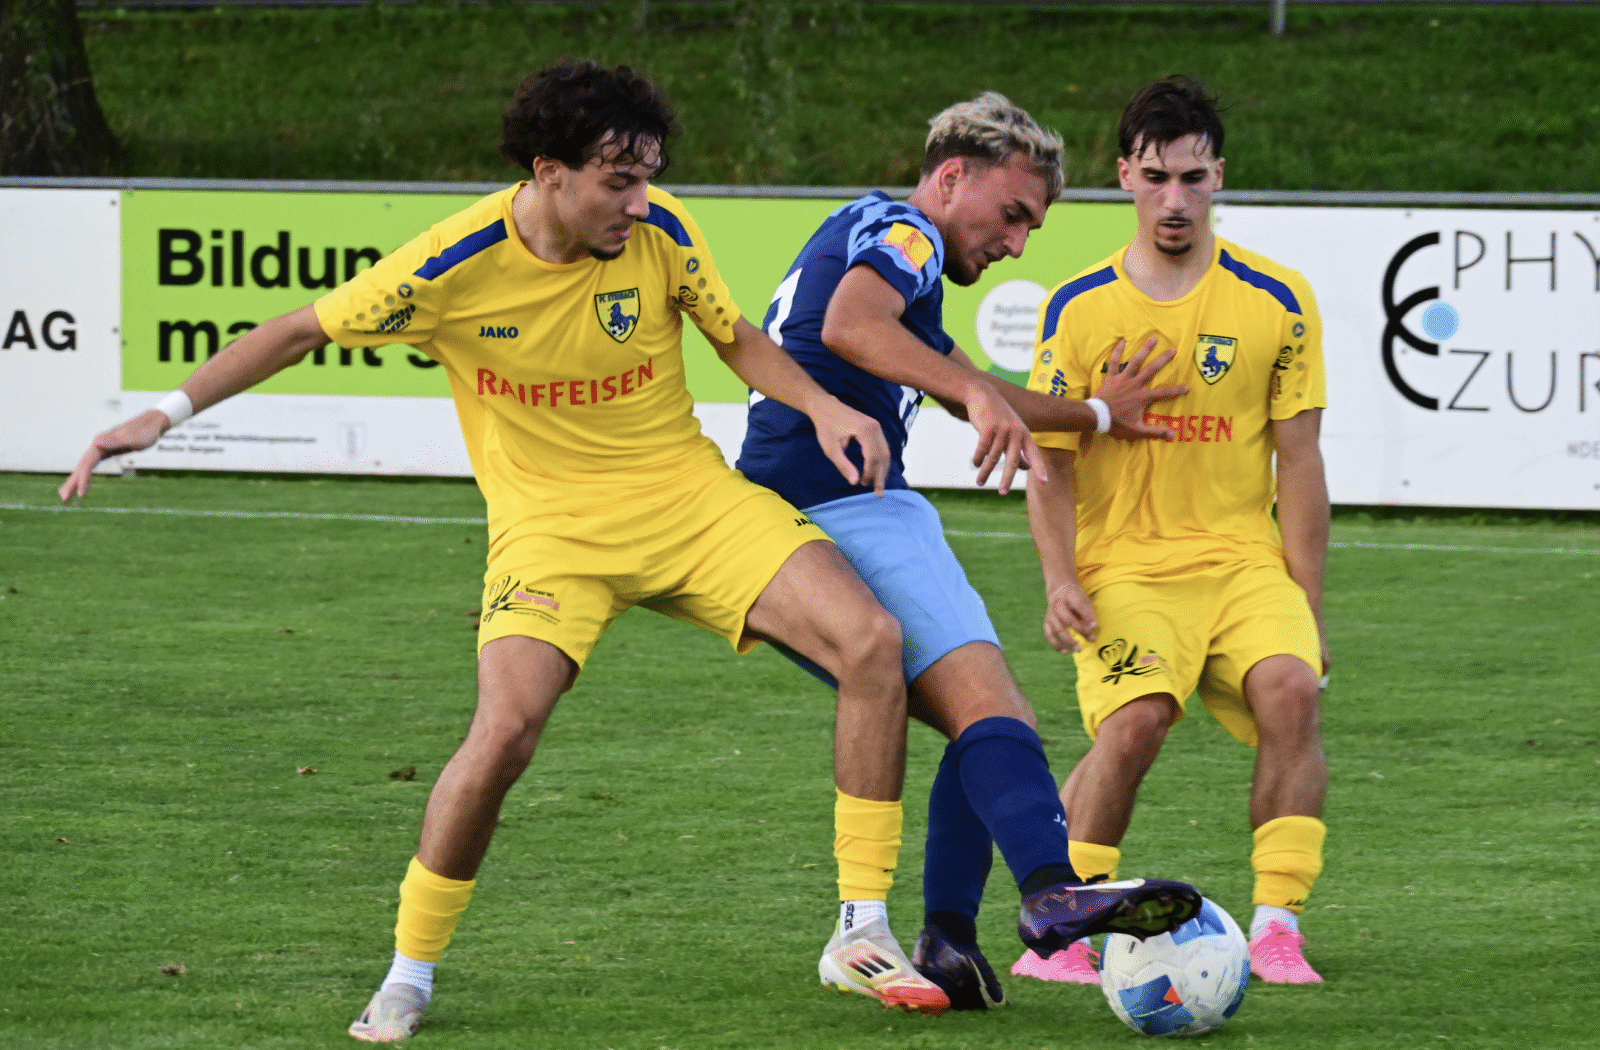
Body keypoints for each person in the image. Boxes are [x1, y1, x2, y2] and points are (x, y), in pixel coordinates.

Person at [59, 61, 957, 1041]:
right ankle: (408, 973)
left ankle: (860, 931)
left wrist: (822, 406)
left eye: (648, 177)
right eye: (618, 181)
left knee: (870, 641)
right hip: (551, 533)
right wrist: (162, 415)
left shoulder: (661, 231)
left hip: (689, 503)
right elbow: (294, 331)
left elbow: (732, 333)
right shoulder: (452, 266)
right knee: (503, 737)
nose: (640, 201)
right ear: (548, 172)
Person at [736, 91, 1201, 1012]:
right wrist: (982, 398)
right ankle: (1049, 890)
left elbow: (965, 382)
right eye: (1013, 214)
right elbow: (850, 327)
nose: (1017, 243)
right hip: (847, 505)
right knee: (998, 715)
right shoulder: (906, 233)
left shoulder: (880, 239)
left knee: (983, 724)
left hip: (788, 515)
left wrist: (1095, 413)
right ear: (952, 177)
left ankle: (949, 940)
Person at [1018, 74, 1330, 986]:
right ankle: (1064, 929)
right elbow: (1050, 461)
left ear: (1218, 176)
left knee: (1292, 691)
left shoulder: (1278, 298)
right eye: (1156, 177)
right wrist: (1060, 577)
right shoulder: (1080, 306)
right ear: (1125, 175)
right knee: (1137, 722)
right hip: (1126, 568)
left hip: (1243, 563)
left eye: (1193, 178)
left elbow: (1300, 460)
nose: (1175, 199)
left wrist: (1307, 606)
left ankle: (1277, 929)